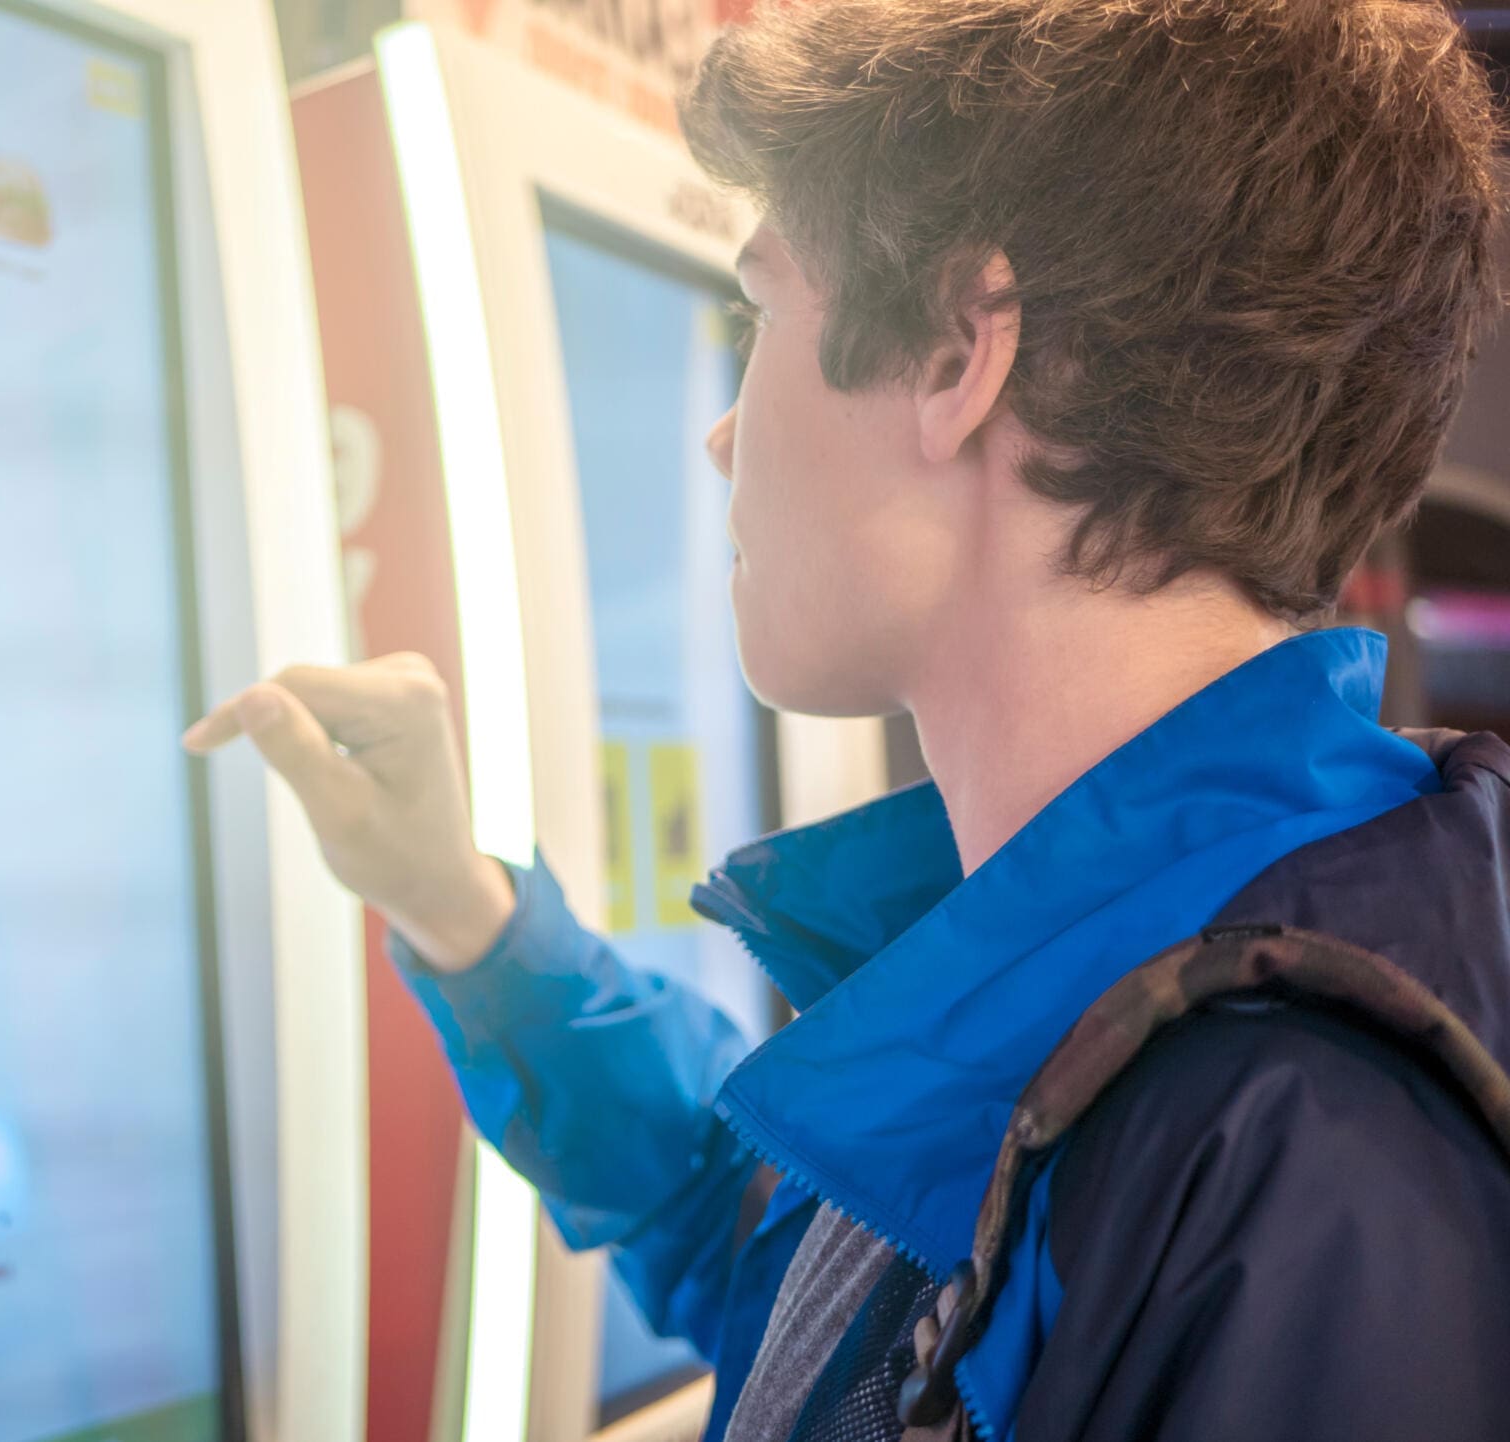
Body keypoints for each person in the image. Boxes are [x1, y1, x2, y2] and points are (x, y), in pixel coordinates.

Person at [185, 1, 1510, 1437]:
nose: (722, 431)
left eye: (760, 308)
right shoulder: (1183, 958)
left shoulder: (1303, 1152)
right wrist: (464, 912)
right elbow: (809, 1261)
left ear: (957, 354)